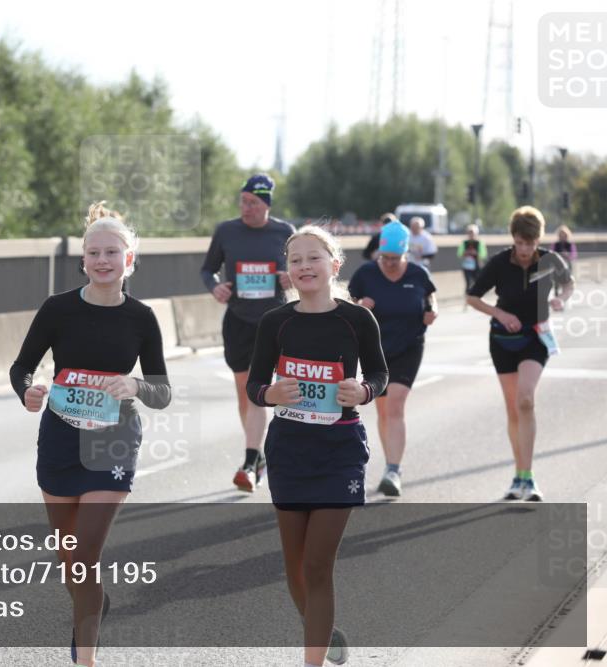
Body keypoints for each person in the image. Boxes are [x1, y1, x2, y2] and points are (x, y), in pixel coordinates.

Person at [10, 202, 171, 666]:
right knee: (70, 562)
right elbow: (22, 366)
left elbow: (161, 391)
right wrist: (28, 391)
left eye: (112, 253)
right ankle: (93, 605)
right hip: (60, 435)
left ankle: (86, 658)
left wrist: (136, 385)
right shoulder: (58, 309)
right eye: (94, 253)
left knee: (83, 553)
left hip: (113, 437)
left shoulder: (141, 318)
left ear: (130, 261)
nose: (103, 260)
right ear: (83, 260)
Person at [247, 225, 387, 667]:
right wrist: (271, 395)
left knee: (317, 565)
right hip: (289, 450)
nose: (304, 266)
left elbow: (380, 375)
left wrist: (363, 392)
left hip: (339, 451)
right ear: (287, 272)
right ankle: (322, 630)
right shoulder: (276, 321)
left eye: (313, 258)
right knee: (294, 568)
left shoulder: (357, 319)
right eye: (295, 261)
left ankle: (311, 659)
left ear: (334, 265)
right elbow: (254, 385)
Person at [467, 206, 574, 501]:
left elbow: (568, 284)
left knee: (525, 400)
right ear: (513, 238)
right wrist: (499, 313)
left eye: (531, 243)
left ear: (538, 240)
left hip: (535, 337)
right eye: (520, 242)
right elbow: (472, 297)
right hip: (502, 339)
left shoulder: (550, 260)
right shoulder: (500, 262)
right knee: (513, 408)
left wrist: (561, 300)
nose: (525, 249)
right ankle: (519, 476)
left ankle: (529, 478)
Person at [200, 174, 295, 492]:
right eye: (243, 201)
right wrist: (216, 287)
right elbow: (207, 268)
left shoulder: (284, 232)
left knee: (268, 389)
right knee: (246, 391)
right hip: (238, 321)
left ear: (266, 204)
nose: (246, 208)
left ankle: (253, 458)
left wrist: (289, 277)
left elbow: (300, 267)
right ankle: (256, 455)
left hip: (274, 322)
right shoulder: (227, 231)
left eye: (253, 202)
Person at [348, 221, 437, 497]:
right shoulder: (366, 274)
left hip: (410, 346)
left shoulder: (418, 274)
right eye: (383, 258)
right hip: (376, 349)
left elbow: (430, 296)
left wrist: (431, 311)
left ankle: (393, 470)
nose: (387, 263)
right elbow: (346, 304)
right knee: (384, 410)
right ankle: (390, 463)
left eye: (394, 259)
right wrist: (360, 307)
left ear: (406, 254)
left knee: (396, 406)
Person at [457, 223, 488, 294]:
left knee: (477, 282)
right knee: (468, 283)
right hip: (467, 266)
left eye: (472, 233)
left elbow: (484, 255)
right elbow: (459, 253)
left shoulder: (479, 243)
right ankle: (468, 298)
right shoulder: (464, 243)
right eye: (469, 233)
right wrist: (465, 253)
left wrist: (476, 253)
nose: (471, 235)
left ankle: (477, 297)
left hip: (477, 266)